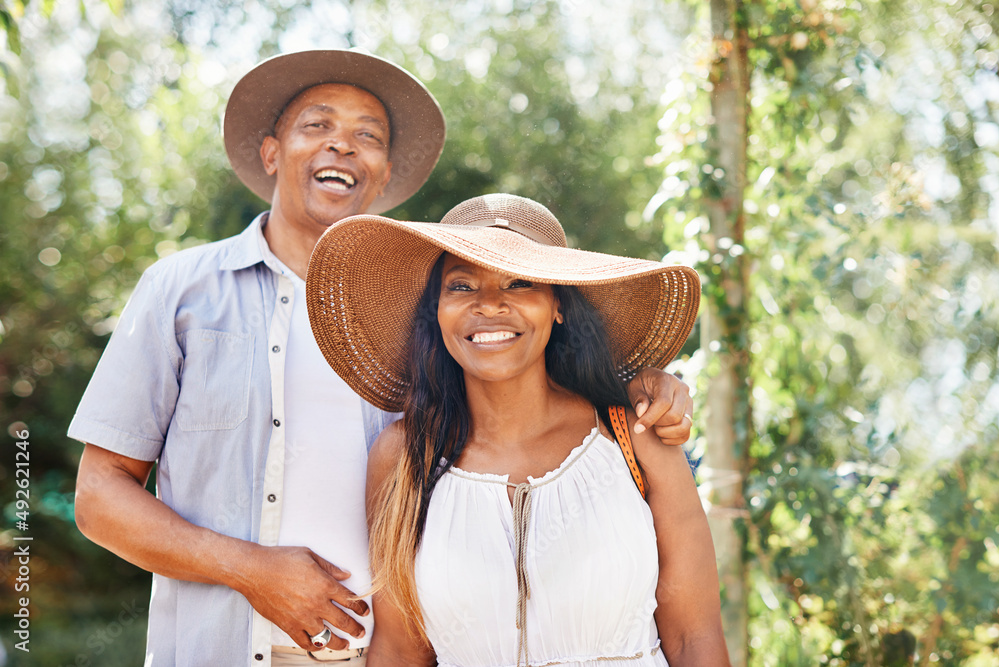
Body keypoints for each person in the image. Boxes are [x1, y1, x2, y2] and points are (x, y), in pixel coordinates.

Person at [69, 51, 697, 666]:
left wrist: (643, 384)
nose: (341, 146)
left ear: (386, 171)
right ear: (270, 153)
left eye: (365, 136)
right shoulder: (182, 292)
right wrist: (253, 570)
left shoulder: (414, 329)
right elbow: (99, 497)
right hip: (222, 650)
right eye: (317, 125)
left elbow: (522, 378)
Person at [306, 194, 729, 666]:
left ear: (558, 306)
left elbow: (696, 638)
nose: (489, 305)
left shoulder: (635, 436)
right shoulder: (404, 457)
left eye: (520, 282)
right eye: (461, 286)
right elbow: (401, 650)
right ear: (437, 312)